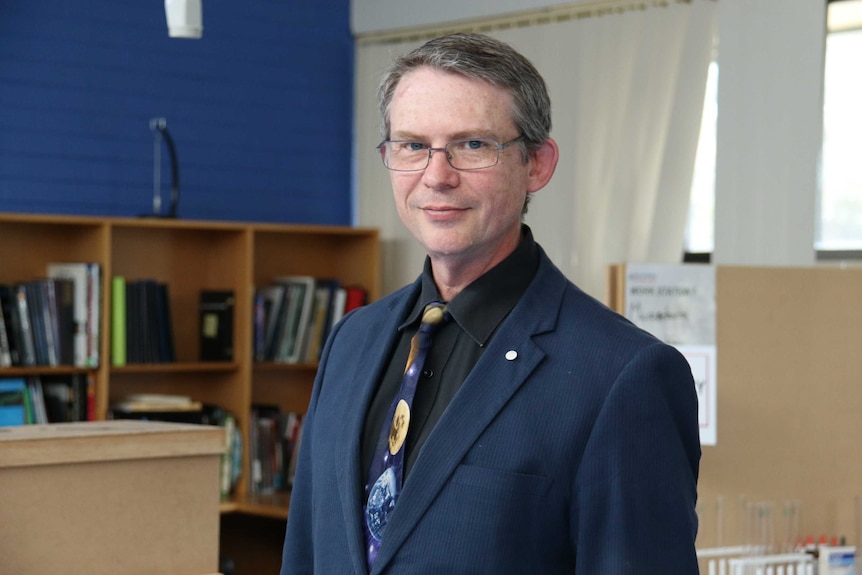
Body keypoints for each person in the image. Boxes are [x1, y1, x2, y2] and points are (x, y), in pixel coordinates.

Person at [281, 32, 700, 574]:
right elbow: (305, 556)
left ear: (537, 165)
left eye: (472, 145)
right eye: (412, 145)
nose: (436, 175)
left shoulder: (622, 374)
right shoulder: (351, 340)